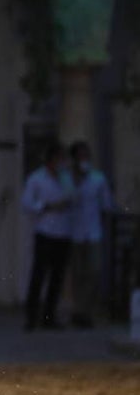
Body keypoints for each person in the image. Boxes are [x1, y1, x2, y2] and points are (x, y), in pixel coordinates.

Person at [20, 141, 75, 331]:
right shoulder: (36, 179)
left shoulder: (65, 178)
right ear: (52, 160)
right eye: (60, 158)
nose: (63, 163)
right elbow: (27, 203)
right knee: (39, 275)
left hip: (63, 231)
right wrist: (46, 206)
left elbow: (72, 196)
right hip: (45, 231)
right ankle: (31, 317)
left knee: (57, 277)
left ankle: (49, 316)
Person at [68, 141, 114, 329]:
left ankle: (86, 310)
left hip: (93, 232)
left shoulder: (98, 178)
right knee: (77, 274)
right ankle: (78, 311)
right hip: (74, 232)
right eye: (80, 156)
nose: (83, 160)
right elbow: (67, 198)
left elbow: (107, 204)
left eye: (86, 156)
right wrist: (77, 180)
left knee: (93, 272)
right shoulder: (68, 178)